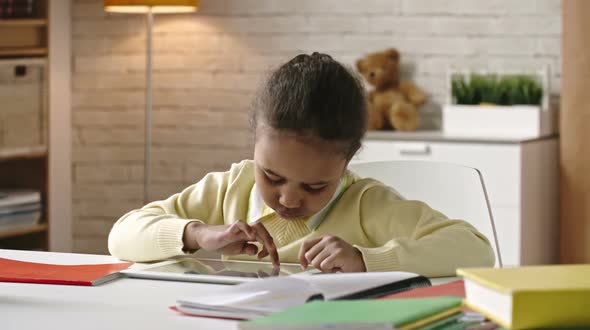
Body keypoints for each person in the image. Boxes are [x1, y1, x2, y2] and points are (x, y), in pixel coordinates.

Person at [108, 52, 494, 277]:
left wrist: (366, 259)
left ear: (346, 163)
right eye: (272, 177)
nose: (288, 200)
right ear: (255, 146)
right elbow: (122, 235)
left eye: (315, 187)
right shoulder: (231, 188)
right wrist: (199, 235)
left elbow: (475, 250)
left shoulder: (367, 205)